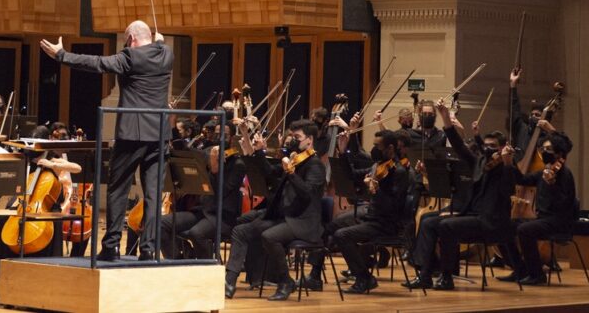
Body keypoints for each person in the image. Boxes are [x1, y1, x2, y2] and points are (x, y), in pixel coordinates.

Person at [41, 20, 171, 261]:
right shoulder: (166, 54)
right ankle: (149, 249)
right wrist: (158, 41)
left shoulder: (130, 57)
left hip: (132, 134)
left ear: (131, 39)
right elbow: (160, 43)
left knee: (118, 189)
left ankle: (111, 246)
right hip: (160, 135)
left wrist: (62, 55)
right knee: (153, 194)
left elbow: (97, 63)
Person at [406, 97, 516, 291]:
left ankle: (447, 276)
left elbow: (508, 190)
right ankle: (425, 274)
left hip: (491, 221)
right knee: (428, 222)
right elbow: (459, 146)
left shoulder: (507, 168)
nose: (488, 149)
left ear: (502, 148)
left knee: (447, 225)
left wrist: (507, 163)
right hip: (472, 215)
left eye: (493, 146)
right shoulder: (479, 163)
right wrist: (445, 117)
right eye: (486, 145)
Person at [223, 120, 326, 301]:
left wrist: (292, 173)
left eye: (297, 137)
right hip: (284, 217)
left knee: (269, 236)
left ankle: (285, 281)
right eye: (292, 136)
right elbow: (270, 173)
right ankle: (229, 282)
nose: (292, 141)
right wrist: (259, 152)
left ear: (309, 140)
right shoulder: (296, 160)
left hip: (303, 221)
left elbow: (307, 194)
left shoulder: (315, 165)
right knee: (240, 231)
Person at [306, 129, 412, 294]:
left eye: (378, 146)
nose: (374, 149)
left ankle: (364, 278)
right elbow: (352, 175)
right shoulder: (377, 166)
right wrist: (343, 153)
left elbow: (394, 207)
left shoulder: (399, 172)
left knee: (342, 235)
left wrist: (378, 189)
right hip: (372, 215)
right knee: (331, 225)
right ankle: (315, 275)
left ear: (390, 148)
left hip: (385, 223)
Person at [500, 132, 577, 285]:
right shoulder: (544, 172)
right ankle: (520, 269)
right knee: (504, 226)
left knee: (525, 229)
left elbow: (564, 204)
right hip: (544, 219)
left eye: (548, 149)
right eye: (543, 149)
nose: (543, 152)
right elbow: (522, 179)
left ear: (558, 153)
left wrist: (552, 185)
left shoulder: (564, 174)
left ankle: (537, 275)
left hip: (559, 221)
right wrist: (510, 162)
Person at [159, 127, 245, 260]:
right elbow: (185, 150)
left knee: (197, 233)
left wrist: (215, 170)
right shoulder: (208, 154)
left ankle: (207, 266)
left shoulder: (237, 164)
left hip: (221, 216)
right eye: (217, 133)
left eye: (225, 135)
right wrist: (172, 125)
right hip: (200, 212)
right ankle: (178, 260)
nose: (220, 137)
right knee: (160, 224)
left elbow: (222, 192)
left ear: (232, 138)